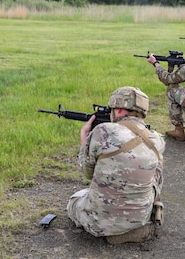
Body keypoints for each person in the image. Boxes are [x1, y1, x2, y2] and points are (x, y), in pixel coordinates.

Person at [67, 86, 165, 245]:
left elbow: (88, 173)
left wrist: (84, 138)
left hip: (99, 224)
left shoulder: (102, 130)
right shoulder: (157, 139)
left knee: (76, 199)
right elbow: (157, 177)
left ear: (119, 110)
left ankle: (113, 230)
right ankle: (140, 222)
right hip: (141, 218)